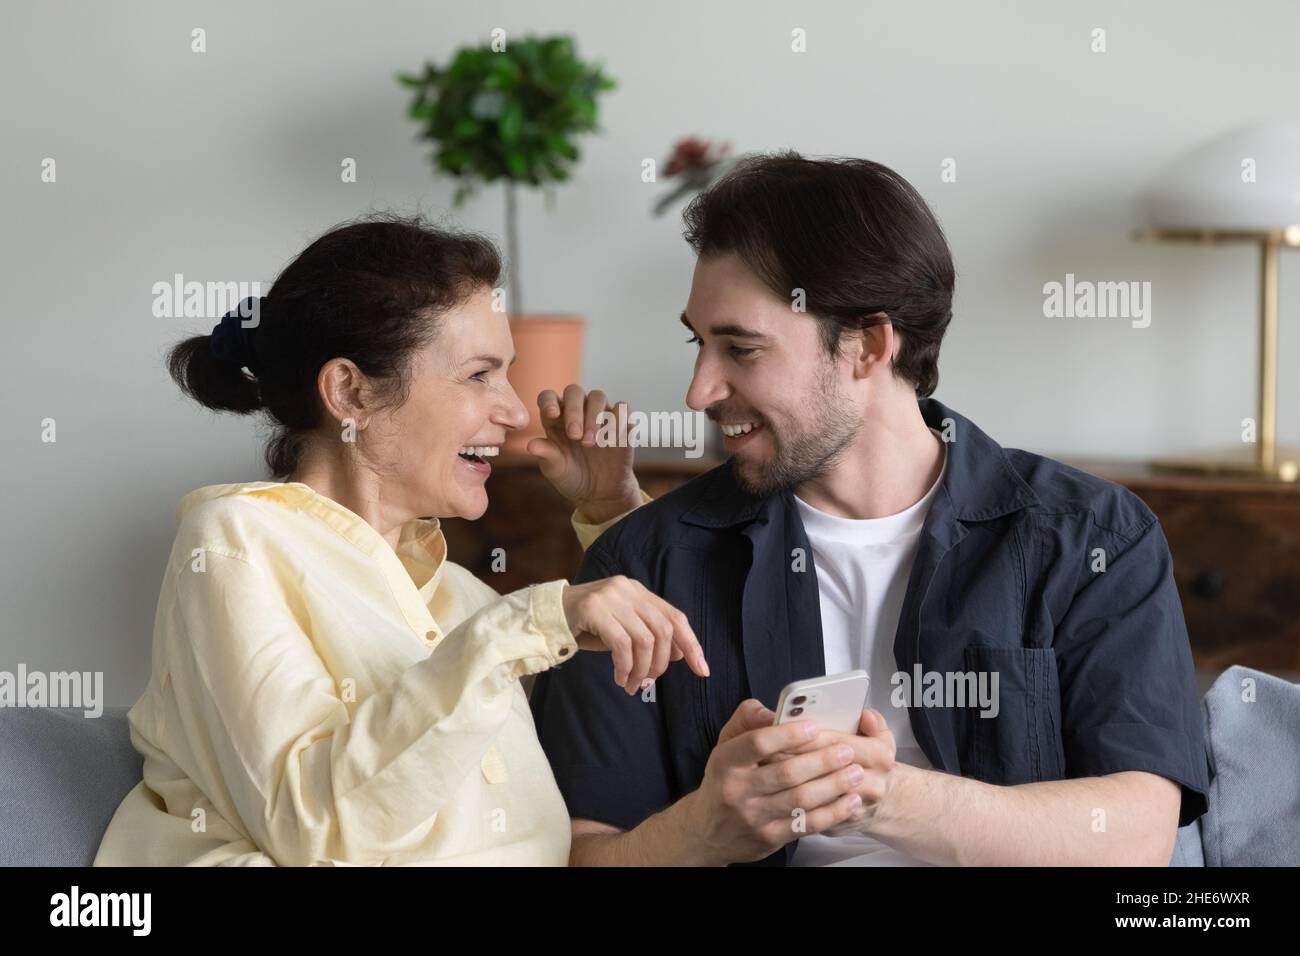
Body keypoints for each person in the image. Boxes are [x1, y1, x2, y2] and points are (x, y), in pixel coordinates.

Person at [531, 152, 1211, 867]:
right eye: (699, 343)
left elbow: (1137, 834)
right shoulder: (644, 562)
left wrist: (880, 795)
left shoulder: (1092, 540)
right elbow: (582, 855)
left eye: (741, 348)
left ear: (868, 344)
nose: (699, 390)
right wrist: (704, 828)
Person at [93, 215, 706, 867]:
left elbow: (662, 712)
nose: (516, 410)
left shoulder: (460, 597)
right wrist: (524, 624)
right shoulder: (233, 544)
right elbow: (318, 829)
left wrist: (612, 514)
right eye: (478, 375)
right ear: (350, 392)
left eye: (507, 374)